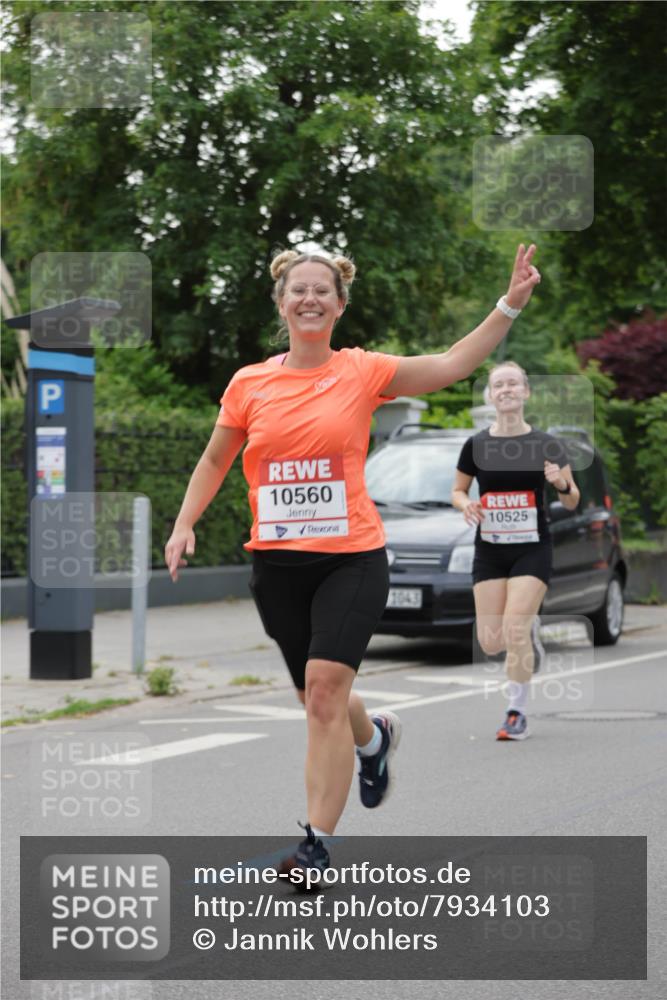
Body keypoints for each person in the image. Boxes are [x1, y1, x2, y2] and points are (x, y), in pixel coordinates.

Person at [165, 242, 541, 870]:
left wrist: (509, 304)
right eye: (298, 290)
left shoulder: (363, 371)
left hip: (352, 558)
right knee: (322, 699)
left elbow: (451, 362)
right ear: (281, 303)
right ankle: (375, 739)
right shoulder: (248, 383)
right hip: (278, 567)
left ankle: (315, 844)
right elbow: (214, 459)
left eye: (322, 290)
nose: (309, 299)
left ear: (339, 305)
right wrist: (184, 523)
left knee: (322, 693)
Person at [451, 360, 580, 741]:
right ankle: (530, 633)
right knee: (491, 641)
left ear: (526, 392)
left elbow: (572, 500)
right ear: (491, 396)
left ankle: (516, 713)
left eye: (512, 383)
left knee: (514, 628)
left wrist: (560, 484)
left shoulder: (546, 444)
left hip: (532, 548)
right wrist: (466, 505)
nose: (506, 390)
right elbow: (457, 490)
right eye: (499, 385)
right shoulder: (476, 445)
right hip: (490, 549)